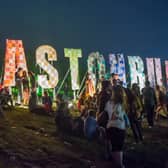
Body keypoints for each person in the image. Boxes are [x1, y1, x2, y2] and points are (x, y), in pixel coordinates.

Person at [105, 85, 128, 168]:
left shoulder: (109, 103)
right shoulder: (120, 103)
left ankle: (118, 164)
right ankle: (120, 165)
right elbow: (116, 115)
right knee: (118, 148)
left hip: (111, 127)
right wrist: (120, 118)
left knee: (115, 148)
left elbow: (109, 115)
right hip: (119, 127)